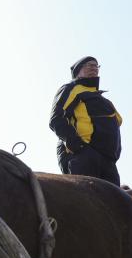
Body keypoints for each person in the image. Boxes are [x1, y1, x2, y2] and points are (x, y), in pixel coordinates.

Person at [49, 56, 123, 186]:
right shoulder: (71, 88)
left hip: (108, 161)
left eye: (96, 66)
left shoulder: (104, 100)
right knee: (85, 201)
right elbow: (56, 118)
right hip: (83, 154)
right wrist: (78, 146)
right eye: (89, 65)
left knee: (112, 204)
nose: (94, 68)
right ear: (78, 70)